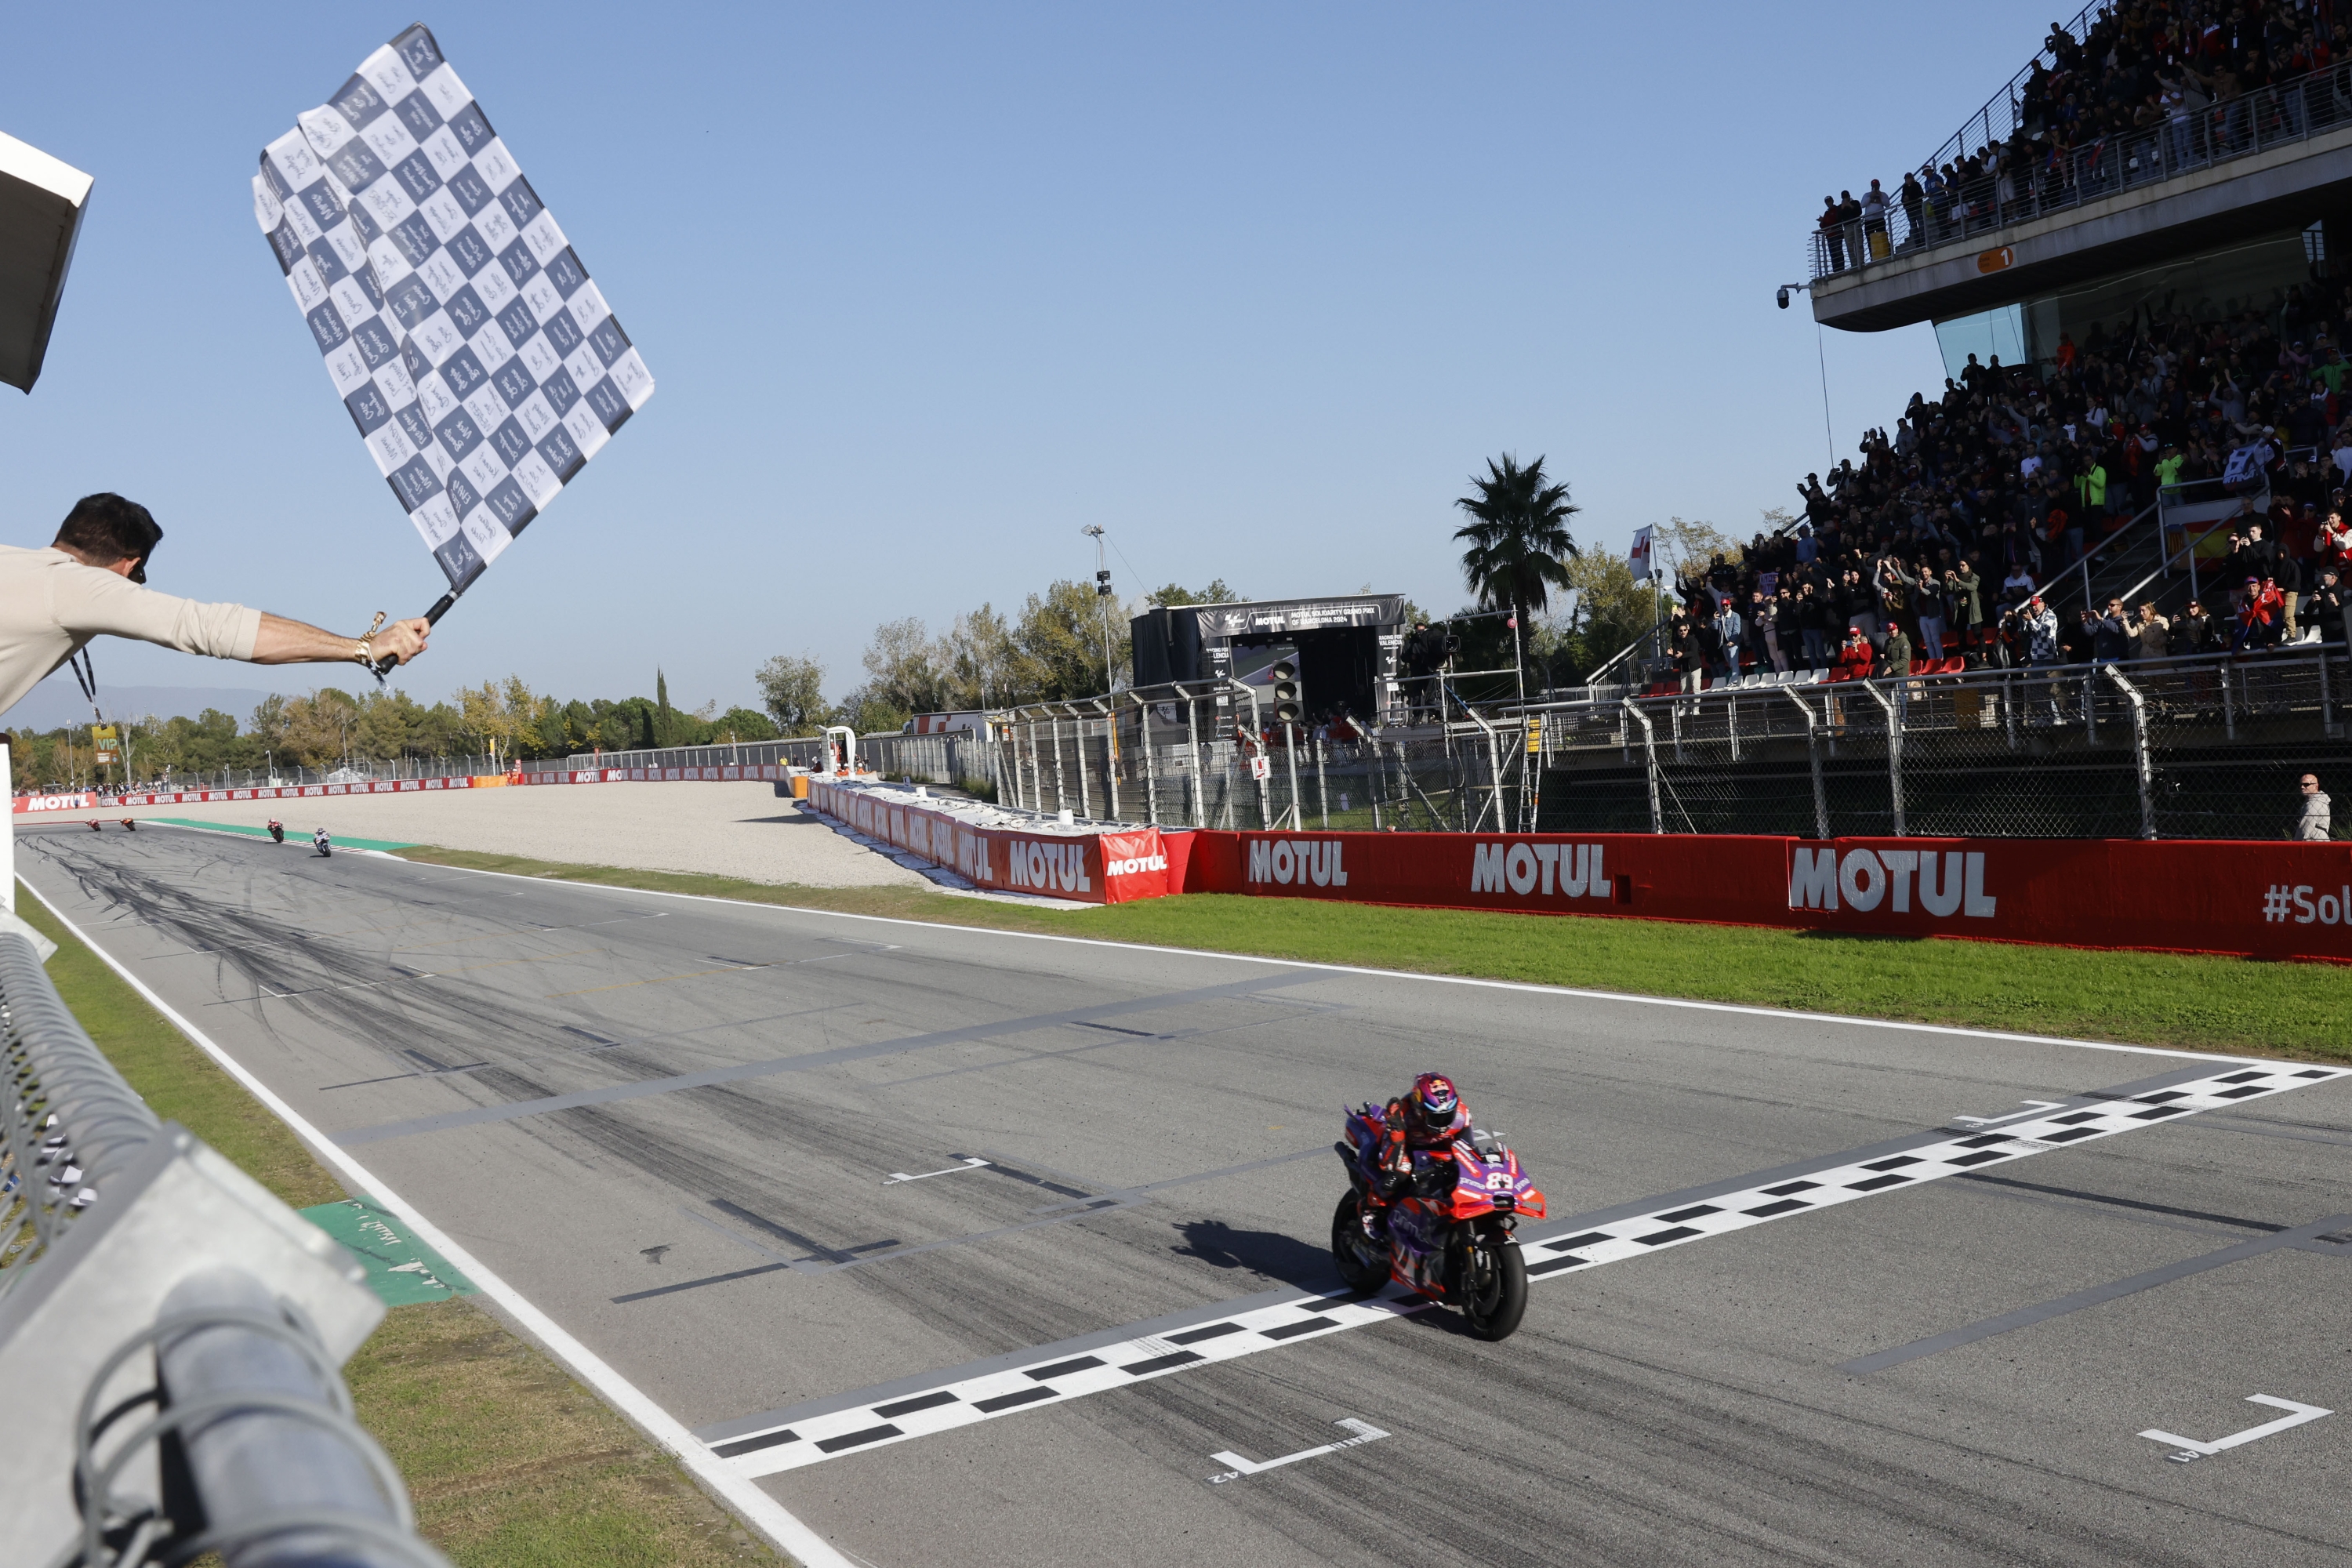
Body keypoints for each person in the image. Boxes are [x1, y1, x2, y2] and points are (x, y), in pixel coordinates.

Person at [0, 494, 430, 720]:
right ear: (129, 565)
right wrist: (360, 648)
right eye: (139, 577)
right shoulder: (76, 584)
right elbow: (208, 627)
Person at [1352, 1072, 1472, 1212]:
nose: (1443, 1124)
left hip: (1437, 1149)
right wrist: (1396, 1130)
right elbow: (1387, 1162)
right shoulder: (1404, 1115)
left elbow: (1469, 1149)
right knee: (1400, 1173)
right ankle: (1369, 1209)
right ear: (1420, 1110)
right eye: (1435, 1118)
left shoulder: (1462, 1115)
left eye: (1447, 1116)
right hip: (1404, 1147)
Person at [2295, 773, 2332, 840]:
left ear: (2316, 786)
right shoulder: (2317, 801)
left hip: (2313, 843)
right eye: (2301, 785)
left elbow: (2306, 829)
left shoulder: (2314, 804)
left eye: (2306, 784)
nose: (2302, 787)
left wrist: (2296, 846)